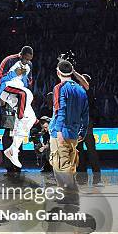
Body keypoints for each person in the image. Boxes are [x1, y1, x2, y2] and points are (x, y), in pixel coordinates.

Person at [49, 60, 89, 192]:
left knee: (61, 165)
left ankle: (70, 195)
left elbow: (60, 110)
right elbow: (85, 113)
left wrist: (58, 130)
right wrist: (83, 132)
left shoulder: (59, 88)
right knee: (69, 165)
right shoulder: (81, 90)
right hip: (74, 134)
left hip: (61, 134)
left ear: (58, 72)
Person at [0, 45, 36, 168]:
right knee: (24, 95)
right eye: (25, 59)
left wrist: (24, 77)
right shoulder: (9, 60)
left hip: (19, 92)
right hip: (7, 89)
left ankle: (13, 150)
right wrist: (16, 73)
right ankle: (20, 117)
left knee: (31, 118)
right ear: (21, 55)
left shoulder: (29, 65)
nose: (27, 61)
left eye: (29, 59)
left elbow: (28, 81)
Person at [76, 73, 102, 185]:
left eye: (82, 81)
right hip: (76, 124)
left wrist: (72, 71)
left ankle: (97, 179)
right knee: (79, 151)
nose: (79, 83)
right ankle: (81, 178)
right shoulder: (75, 93)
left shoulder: (88, 92)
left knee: (91, 151)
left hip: (87, 124)